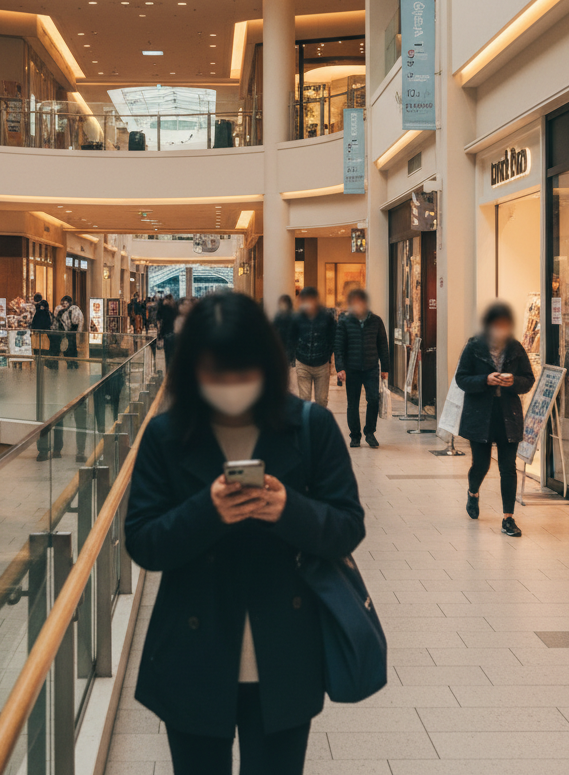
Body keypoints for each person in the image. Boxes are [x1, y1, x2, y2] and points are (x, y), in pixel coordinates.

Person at [125, 292, 365, 775]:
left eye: (244, 372)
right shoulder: (166, 436)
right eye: (217, 374)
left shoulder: (310, 428)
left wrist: (288, 509)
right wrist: (208, 510)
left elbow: (347, 526)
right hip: (193, 652)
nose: (231, 386)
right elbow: (143, 541)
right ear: (194, 370)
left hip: (284, 652)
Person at [454, 301, 535, 537]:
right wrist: (485, 380)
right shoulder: (474, 347)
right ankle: (473, 492)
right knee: (481, 464)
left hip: (508, 415)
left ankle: (508, 518)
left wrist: (513, 382)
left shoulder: (516, 348)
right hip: (480, 416)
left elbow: (528, 379)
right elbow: (461, 378)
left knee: (508, 467)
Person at [334, 288, 390, 449]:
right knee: (353, 403)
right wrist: (340, 368)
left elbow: (383, 345)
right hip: (352, 368)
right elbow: (339, 347)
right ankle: (355, 436)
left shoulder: (376, 321)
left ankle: (370, 432)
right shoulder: (345, 322)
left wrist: (385, 367)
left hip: (371, 368)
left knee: (373, 399)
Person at [290, 287, 336, 408]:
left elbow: (333, 338)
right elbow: (292, 338)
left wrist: (328, 355)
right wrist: (294, 356)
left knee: (321, 400)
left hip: (322, 364)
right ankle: (306, 420)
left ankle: (319, 420)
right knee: (304, 398)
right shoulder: (297, 318)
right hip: (302, 362)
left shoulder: (326, 317)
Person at [54, 295, 84, 365]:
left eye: (66, 303)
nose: (64, 305)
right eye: (63, 303)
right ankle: (72, 362)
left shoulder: (70, 310)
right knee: (70, 346)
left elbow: (80, 319)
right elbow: (81, 320)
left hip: (68, 330)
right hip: (70, 330)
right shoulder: (73, 309)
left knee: (69, 346)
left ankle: (71, 362)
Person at [271, 294, 297, 366]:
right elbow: (274, 327)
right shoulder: (278, 315)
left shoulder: (292, 315)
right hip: (280, 342)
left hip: (289, 343)